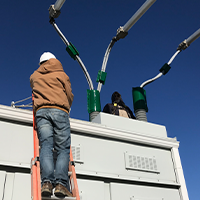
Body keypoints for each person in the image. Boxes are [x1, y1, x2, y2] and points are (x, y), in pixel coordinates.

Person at [30, 52, 74, 198]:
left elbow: (34, 91)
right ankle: (61, 184)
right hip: (59, 110)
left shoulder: (34, 76)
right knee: (62, 148)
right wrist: (66, 105)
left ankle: (47, 183)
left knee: (46, 145)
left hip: (41, 112)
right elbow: (69, 94)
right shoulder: (62, 74)